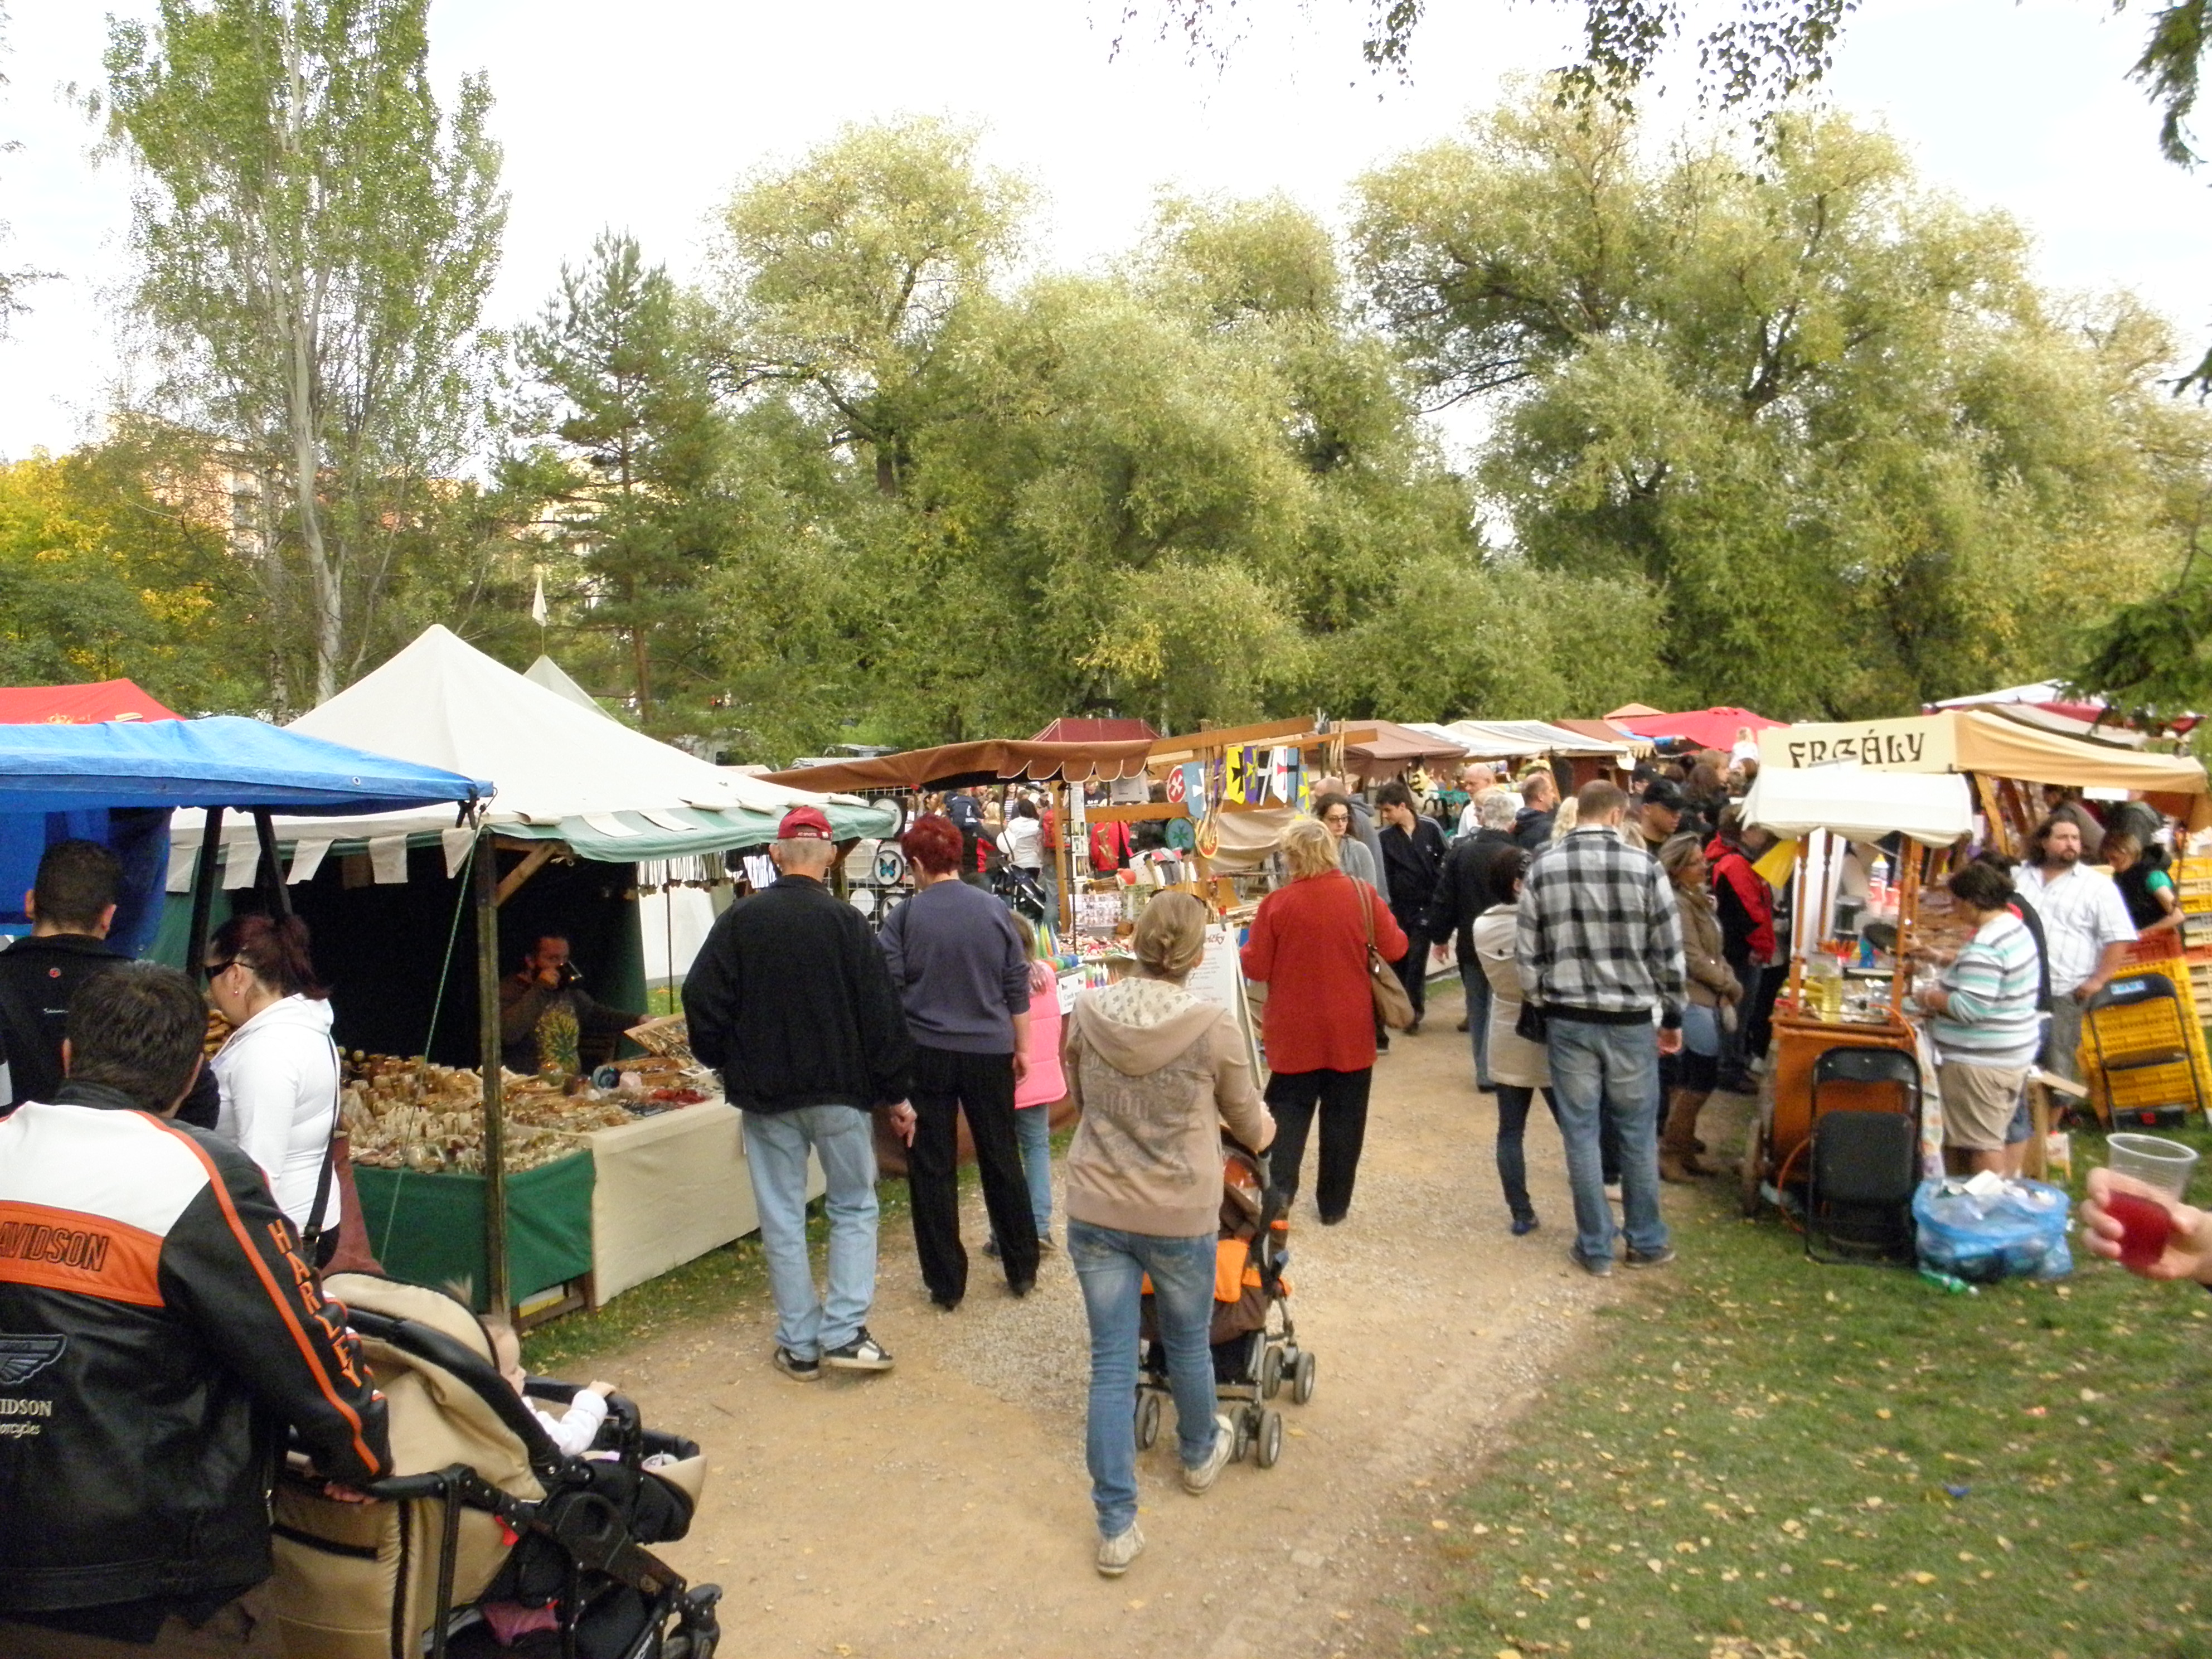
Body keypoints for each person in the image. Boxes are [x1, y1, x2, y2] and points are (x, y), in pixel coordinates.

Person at [0, 962, 391, 1655]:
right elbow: (302, 1341)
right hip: (148, 1579)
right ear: (190, 1078)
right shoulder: (197, 1175)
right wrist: (358, 1452)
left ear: (67, 1055)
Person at [1063, 891, 1274, 1578]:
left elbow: (1083, 1097)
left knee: (1110, 1362)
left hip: (1097, 1204)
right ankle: (1195, 1452)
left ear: (1137, 940)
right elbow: (1249, 1121)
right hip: (1179, 1211)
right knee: (1185, 1338)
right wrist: (1267, 1137)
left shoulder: (1088, 1014)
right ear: (1195, 955)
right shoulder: (1212, 1027)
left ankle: (1116, 1524)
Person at [684, 805, 915, 1380]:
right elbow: (881, 1017)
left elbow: (700, 998)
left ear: (775, 855)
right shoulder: (846, 925)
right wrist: (896, 1094)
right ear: (831, 855)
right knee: (853, 1208)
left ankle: (800, 1342)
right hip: (838, 1092)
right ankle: (842, 1331)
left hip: (767, 1095)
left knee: (784, 1217)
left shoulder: (741, 921)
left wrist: (722, 1058)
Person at [1517, 780, 1686, 1277]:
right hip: (1631, 1017)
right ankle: (1646, 1241)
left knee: (1581, 1134)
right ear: (1617, 815)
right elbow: (1669, 953)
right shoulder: (1646, 868)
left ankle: (1595, 1246)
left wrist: (1546, 997)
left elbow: (1528, 957)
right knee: (1636, 1133)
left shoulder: (1543, 869)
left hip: (1569, 1016)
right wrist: (1672, 1016)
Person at [879, 813, 1040, 1308]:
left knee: (932, 1166)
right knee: (1001, 1156)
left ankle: (946, 1282)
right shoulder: (992, 909)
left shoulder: (904, 917)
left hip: (927, 1051)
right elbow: (1016, 982)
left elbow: (889, 987)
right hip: (990, 1049)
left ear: (917, 862)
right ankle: (1021, 1265)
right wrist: (1024, 1047)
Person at [1240, 817, 1406, 1223]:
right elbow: (1397, 947)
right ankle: (1334, 1206)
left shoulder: (1277, 905)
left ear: (1292, 858)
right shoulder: (1362, 895)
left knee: (1287, 1116)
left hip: (1294, 1030)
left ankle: (1279, 1197)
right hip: (1351, 1027)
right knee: (1346, 1121)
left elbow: (1257, 967)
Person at [203, 912, 343, 1248]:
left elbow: (260, 1170)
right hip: (303, 1220)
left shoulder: (268, 1050)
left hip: (280, 1234)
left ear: (235, 975)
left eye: (210, 974)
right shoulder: (305, 1023)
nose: (208, 993)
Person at [1917, 861, 2043, 1175]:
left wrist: (1928, 996)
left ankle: (1986, 1209)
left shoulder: (1985, 946)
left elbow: (1968, 1008)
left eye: (1957, 901)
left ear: (1973, 901)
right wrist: (1938, 958)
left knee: (1980, 1144)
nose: (1954, 909)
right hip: (2009, 1053)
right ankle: (1967, 1201)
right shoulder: (2014, 929)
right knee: (1974, 1140)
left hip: (1981, 1064)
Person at [1473, 848, 1557, 1234]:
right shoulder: (1543, 923)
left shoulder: (1483, 926)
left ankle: (1520, 1211)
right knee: (1575, 1127)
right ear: (1519, 882)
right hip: (1548, 1026)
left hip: (1507, 1024)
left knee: (1510, 1129)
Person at [2014, 816, 2136, 1081]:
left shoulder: (2098, 887)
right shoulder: (2018, 876)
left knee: (2056, 1062)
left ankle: (2052, 1122)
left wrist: (2098, 980)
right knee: (2015, 1061)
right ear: (2044, 842)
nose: (2071, 844)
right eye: (2062, 837)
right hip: (2016, 986)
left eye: (2075, 838)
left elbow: (2119, 937)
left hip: (2064, 989)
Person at [1655, 835, 1739, 1183]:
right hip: (1693, 999)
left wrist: (1726, 976)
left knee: (1695, 1078)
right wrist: (1728, 984)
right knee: (1698, 1078)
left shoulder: (1696, 901)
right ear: (1677, 869)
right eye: (1696, 862)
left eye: (1703, 860)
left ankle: (1684, 1147)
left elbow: (1713, 952)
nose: (1705, 866)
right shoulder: (1678, 904)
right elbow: (1691, 957)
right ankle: (1671, 1152)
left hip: (1706, 997)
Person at [1428, 788, 1519, 1087]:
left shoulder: (1461, 852)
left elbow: (1445, 897)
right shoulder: (1516, 854)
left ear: (1482, 817)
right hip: (1509, 942)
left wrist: (1440, 936)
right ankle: (1499, 1068)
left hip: (1471, 942)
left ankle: (1484, 1072)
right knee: (1502, 1006)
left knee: (1477, 1007)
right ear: (1512, 822)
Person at [987, 913, 1063, 1259]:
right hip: (1041, 1078)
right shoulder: (1046, 975)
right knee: (1037, 1149)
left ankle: (1004, 1233)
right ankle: (1040, 1225)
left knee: (1002, 1158)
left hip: (1008, 1078)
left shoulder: (996, 983)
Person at [499, 933, 643, 1076]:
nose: (561, 966)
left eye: (565, 959)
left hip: (570, 1084)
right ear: (531, 961)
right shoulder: (509, 991)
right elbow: (509, 1033)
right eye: (553, 959)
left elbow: (597, 1014)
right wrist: (540, 988)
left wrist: (638, 1020)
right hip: (529, 1086)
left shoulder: (567, 992)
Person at [1706, 808, 1776, 1093]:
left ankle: (1732, 1064)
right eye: (1761, 829)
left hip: (1732, 948)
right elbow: (1751, 912)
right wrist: (1762, 946)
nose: (1766, 835)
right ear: (1746, 831)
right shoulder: (1735, 864)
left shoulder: (1722, 856)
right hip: (1740, 952)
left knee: (1733, 1011)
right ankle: (1729, 1069)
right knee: (1736, 1011)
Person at [1376, 780, 1445, 1035]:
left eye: (1388, 810)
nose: (1385, 816)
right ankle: (1400, 1008)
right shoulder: (1384, 838)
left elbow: (1444, 863)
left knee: (1417, 960)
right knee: (1399, 961)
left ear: (1402, 806)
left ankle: (1414, 1013)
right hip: (1397, 909)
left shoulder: (1430, 828)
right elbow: (1384, 875)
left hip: (1426, 907)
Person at [2105, 828, 2181, 934]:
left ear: (2127, 853)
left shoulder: (2153, 877)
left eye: (2114, 858)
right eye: (2108, 859)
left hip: (2159, 941)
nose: (2111, 864)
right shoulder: (2122, 876)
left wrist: (2144, 933)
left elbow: (2177, 916)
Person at [1314, 790, 1381, 890]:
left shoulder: (1359, 850)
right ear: (1320, 820)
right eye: (1333, 819)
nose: (1340, 824)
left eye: (1344, 818)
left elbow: (1371, 892)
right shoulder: (1311, 851)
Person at [1619, 777, 1684, 854]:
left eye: (1680, 809)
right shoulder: (1627, 845)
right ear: (1647, 809)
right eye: (1670, 809)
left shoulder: (1679, 848)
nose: (1678, 815)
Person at [1513, 769, 1559, 851]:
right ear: (1541, 796)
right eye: (1551, 791)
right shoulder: (1548, 829)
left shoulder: (1512, 824)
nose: (1554, 795)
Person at [1453, 763, 1500, 836]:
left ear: (1488, 782)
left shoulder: (1509, 805)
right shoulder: (1468, 810)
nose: (1467, 788)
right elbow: (1462, 841)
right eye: (1466, 784)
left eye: (1472, 784)